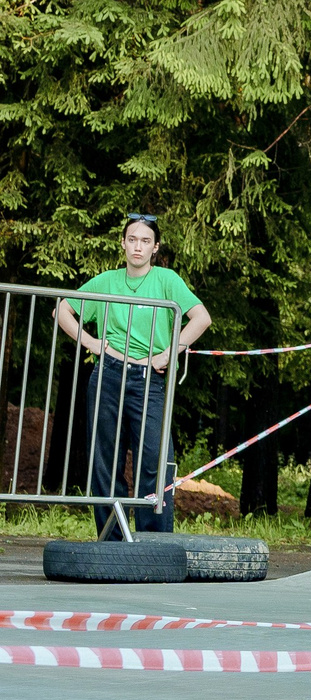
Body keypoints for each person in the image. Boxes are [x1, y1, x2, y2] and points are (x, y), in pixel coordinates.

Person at [53, 214, 212, 537]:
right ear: (123, 243)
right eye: (132, 239)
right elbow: (62, 311)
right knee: (105, 464)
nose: (137, 247)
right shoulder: (107, 281)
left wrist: (171, 351)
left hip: (151, 378)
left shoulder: (167, 280)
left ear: (155, 248)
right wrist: (94, 344)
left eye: (145, 241)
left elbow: (201, 318)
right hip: (109, 374)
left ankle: (153, 543)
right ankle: (111, 542)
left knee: (153, 462)